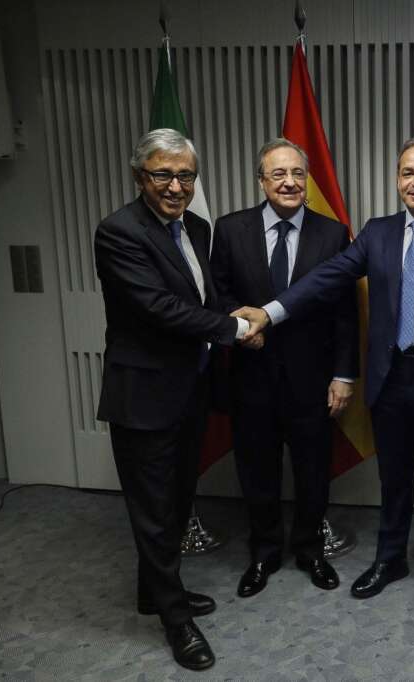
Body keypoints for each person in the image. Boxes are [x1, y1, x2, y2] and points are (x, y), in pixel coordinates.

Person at [235, 136, 414, 619]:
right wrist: (272, 312)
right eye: (407, 172)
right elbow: (327, 277)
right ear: (397, 180)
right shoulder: (378, 233)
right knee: (393, 477)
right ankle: (390, 559)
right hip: (389, 377)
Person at [94, 128, 259, 671]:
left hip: (189, 388)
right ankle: (175, 619)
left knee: (175, 500)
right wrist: (236, 330)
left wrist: (233, 315)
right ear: (139, 176)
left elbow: (202, 297)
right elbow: (158, 308)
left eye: (186, 176)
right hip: (143, 394)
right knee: (153, 510)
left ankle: (153, 592)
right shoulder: (119, 231)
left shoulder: (197, 227)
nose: (176, 186)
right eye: (163, 174)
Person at [210, 138, 358, 598]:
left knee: (313, 471)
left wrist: (343, 375)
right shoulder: (230, 229)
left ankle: (311, 550)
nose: (290, 182)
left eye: (297, 173)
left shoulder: (332, 234)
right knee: (257, 470)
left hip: (312, 380)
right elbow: (217, 294)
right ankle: (264, 552)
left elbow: (345, 312)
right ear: (261, 181)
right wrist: (240, 328)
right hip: (250, 374)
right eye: (279, 174)